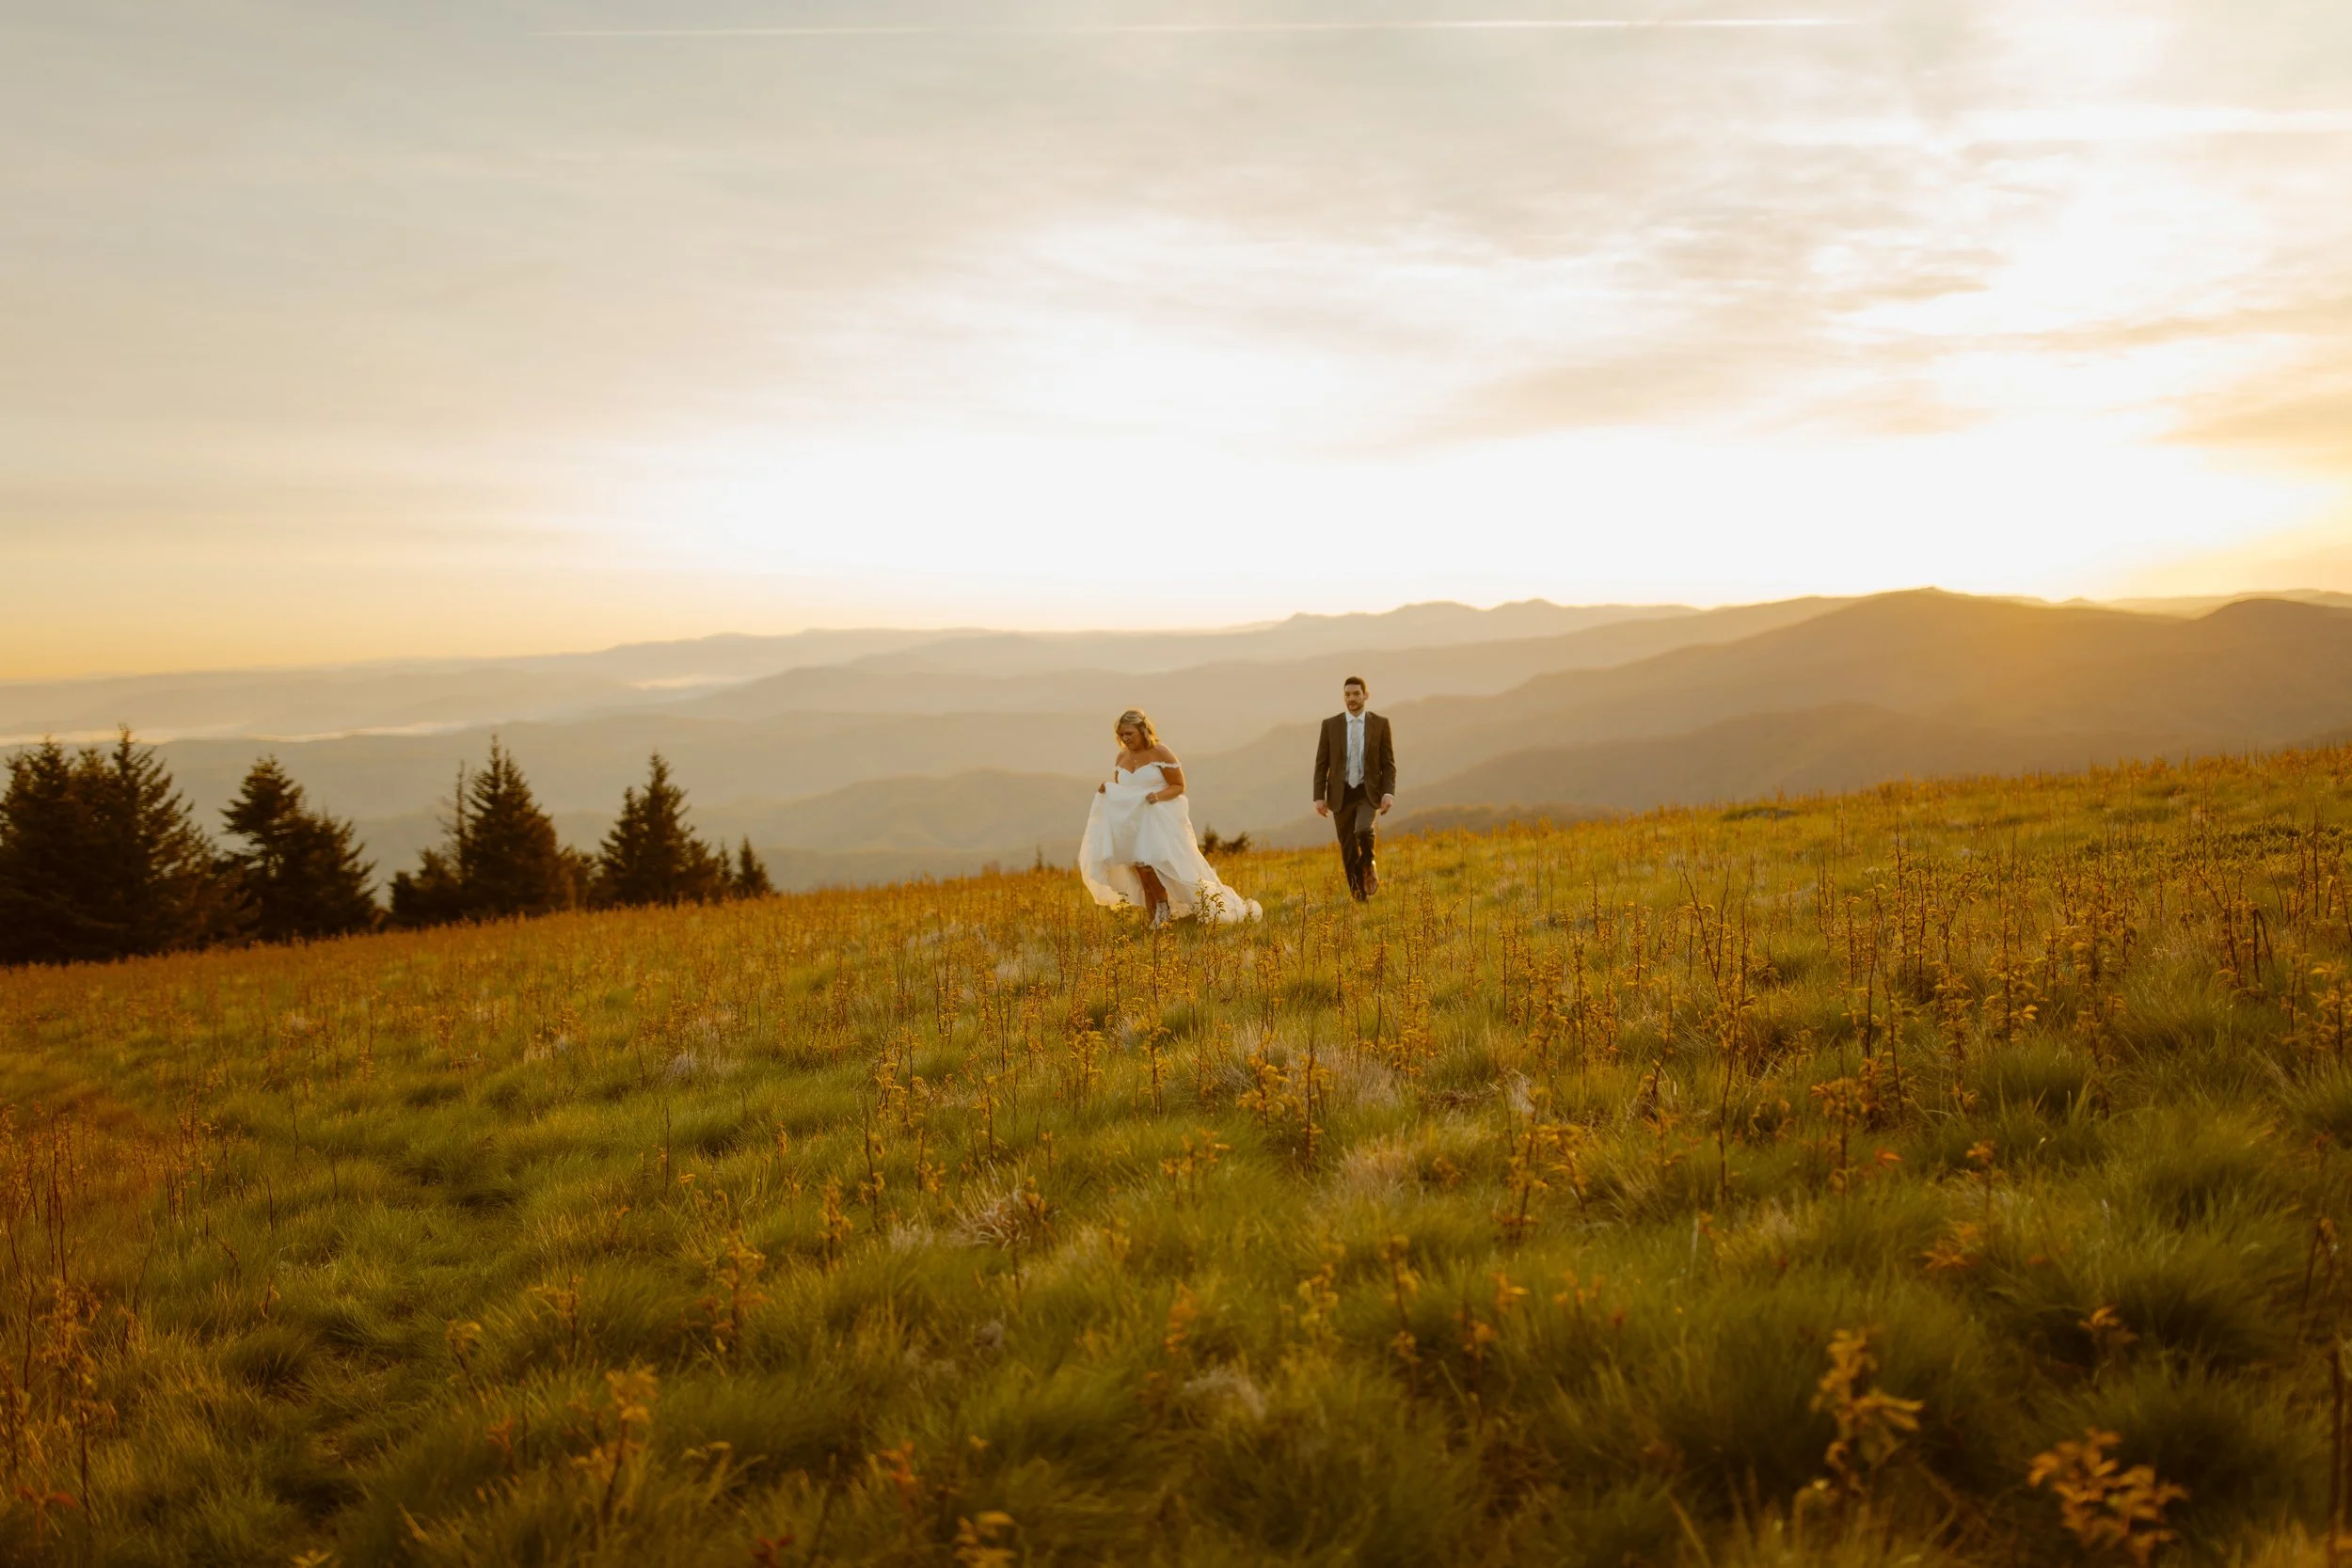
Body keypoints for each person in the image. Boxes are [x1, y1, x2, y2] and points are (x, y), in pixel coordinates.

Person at [1078, 708, 1262, 926]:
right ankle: (1156, 918)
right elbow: (1124, 791)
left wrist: (1158, 795)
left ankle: (1169, 906)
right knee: (1140, 870)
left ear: (1143, 731)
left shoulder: (1161, 752)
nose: (1125, 739)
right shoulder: (1121, 757)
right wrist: (1107, 791)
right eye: (1122, 735)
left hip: (1159, 819)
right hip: (1134, 824)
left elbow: (1178, 786)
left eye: (1130, 734)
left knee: (1154, 865)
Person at [1312, 675, 1395, 901]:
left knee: (1363, 831)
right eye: (1347, 694)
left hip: (1368, 793)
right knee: (1348, 852)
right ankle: (1360, 900)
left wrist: (1388, 793)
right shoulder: (1330, 725)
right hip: (1340, 796)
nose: (1351, 698)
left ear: (1366, 696)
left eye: (1356, 694)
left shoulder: (1380, 724)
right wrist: (1318, 797)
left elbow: (1388, 764)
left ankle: (1368, 862)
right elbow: (1322, 763)